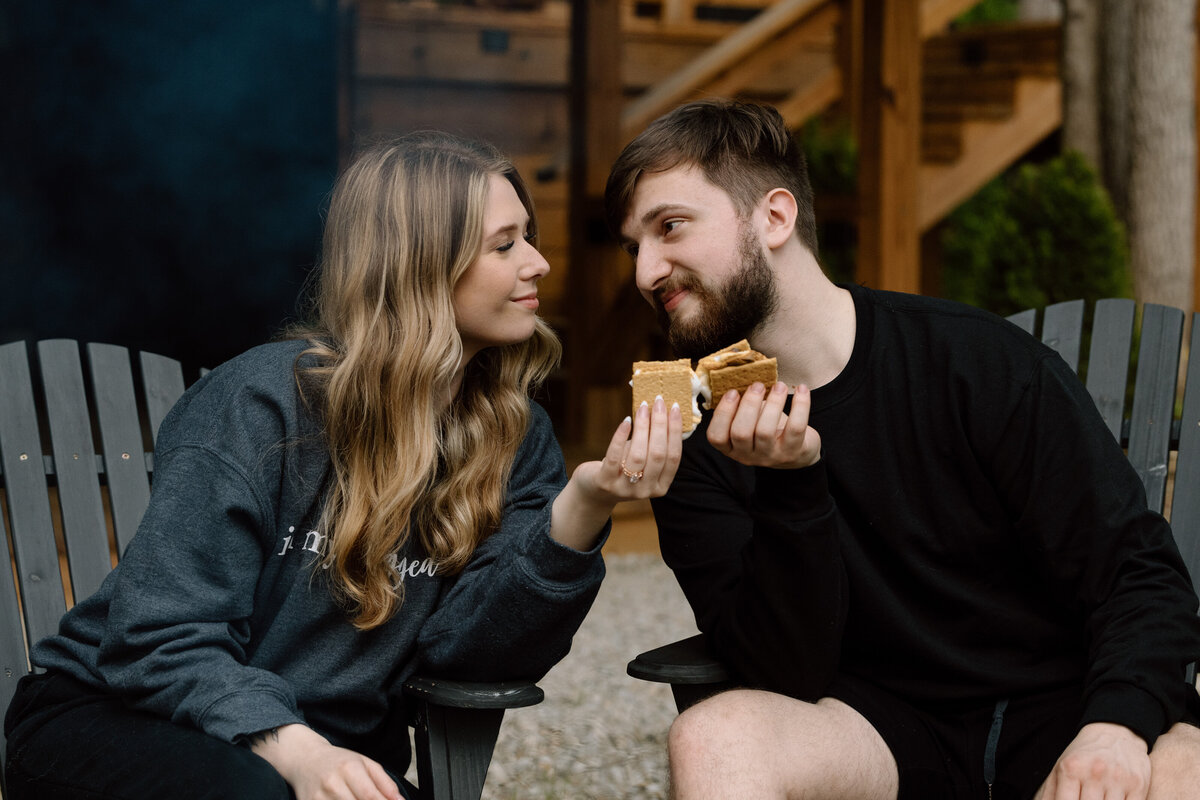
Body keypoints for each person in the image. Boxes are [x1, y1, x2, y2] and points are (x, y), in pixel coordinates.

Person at [4, 131, 683, 800]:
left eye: (527, 237)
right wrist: (293, 749)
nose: (537, 262)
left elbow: (473, 656)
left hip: (324, 755)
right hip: (116, 720)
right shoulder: (260, 406)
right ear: (418, 266)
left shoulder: (514, 433)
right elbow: (158, 636)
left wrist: (583, 506)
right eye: (505, 245)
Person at [605, 99, 1200, 800]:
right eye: (633, 247)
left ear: (774, 217)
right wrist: (793, 485)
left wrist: (1115, 729)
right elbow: (783, 672)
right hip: (882, 729)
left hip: (1063, 705)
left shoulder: (977, 364)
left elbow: (1140, 577)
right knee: (712, 734)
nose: (646, 271)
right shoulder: (697, 444)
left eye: (669, 227)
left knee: (1186, 763)